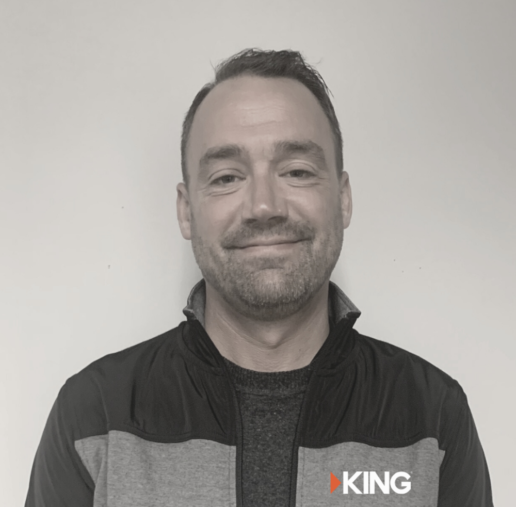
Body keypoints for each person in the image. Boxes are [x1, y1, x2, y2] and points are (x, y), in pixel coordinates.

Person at [25, 48, 493, 507]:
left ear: (343, 199)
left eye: (297, 171)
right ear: (186, 211)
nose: (264, 206)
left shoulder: (433, 419)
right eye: (227, 177)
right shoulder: (95, 417)